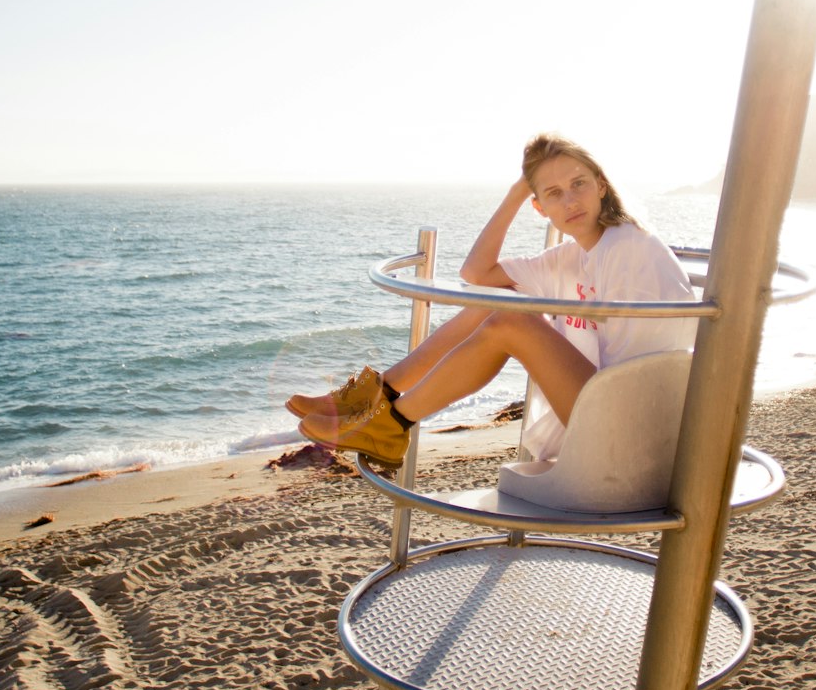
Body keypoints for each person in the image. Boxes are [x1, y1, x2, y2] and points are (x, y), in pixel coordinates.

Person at [290, 133, 698, 470]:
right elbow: (478, 275)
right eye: (553, 193)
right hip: (608, 407)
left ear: (601, 186)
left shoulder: (627, 248)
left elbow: (643, 380)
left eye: (579, 184)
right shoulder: (577, 254)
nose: (570, 201)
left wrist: (536, 185)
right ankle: (379, 394)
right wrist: (517, 192)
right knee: (498, 300)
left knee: (510, 322)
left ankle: (392, 423)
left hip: (635, 430)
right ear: (539, 207)